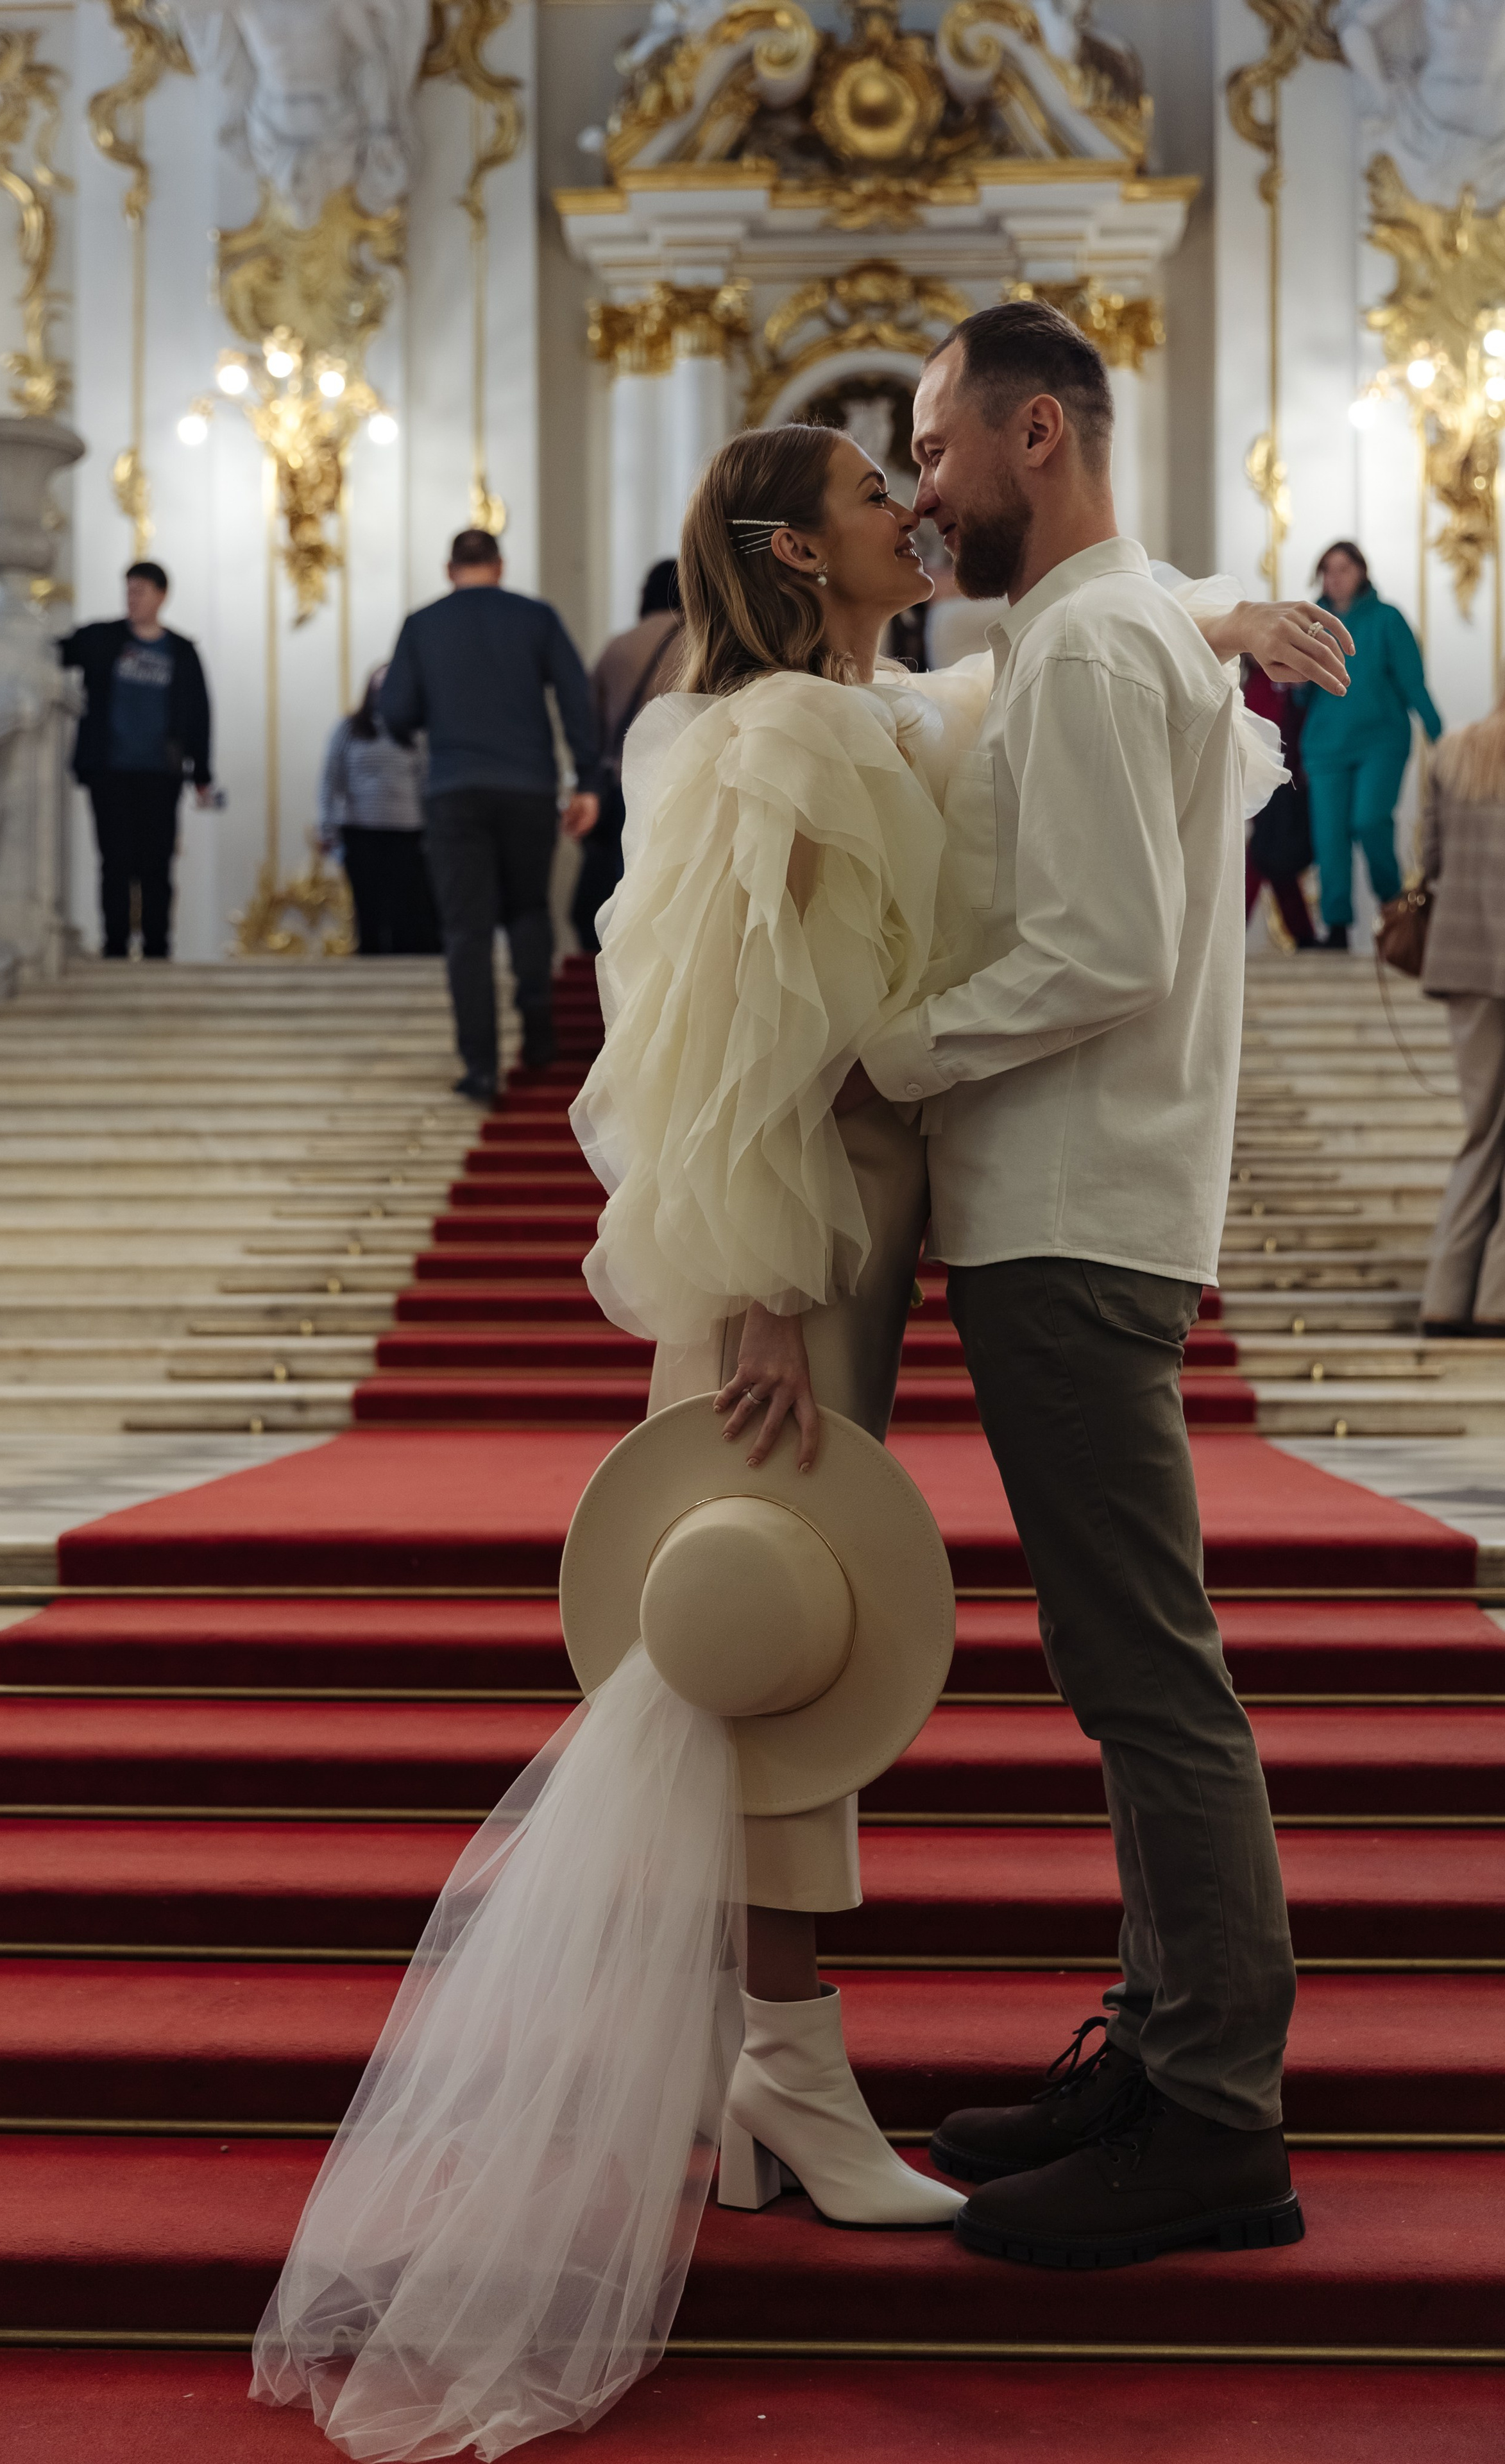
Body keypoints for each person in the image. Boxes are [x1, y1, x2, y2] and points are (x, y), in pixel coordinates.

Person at [249, 413, 1349, 2460]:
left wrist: (1217, 612)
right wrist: (751, 1275)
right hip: (786, 1223)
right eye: (873, 493)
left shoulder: (868, 694)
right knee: (764, 1640)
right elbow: (720, 1015)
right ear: (787, 542)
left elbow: (1045, 663)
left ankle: (775, 2066)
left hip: (855, 1209)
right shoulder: (762, 727)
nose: (909, 509)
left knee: (801, 1635)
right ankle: (789, 2066)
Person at [839, 298, 1357, 2268]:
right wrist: (1211, 622)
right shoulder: (1100, 632)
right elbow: (1184, 820)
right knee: (1124, 1663)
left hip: (1070, 1203)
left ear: (1035, 432)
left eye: (936, 441)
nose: (921, 484)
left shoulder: (1088, 639)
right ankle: (1157, 2049)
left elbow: (1098, 951)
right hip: (1083, 1196)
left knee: (1146, 1673)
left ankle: (1213, 2110)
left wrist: (883, 1048)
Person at [380, 529, 600, 1101]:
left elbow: (396, 710)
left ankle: (481, 1066)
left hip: (454, 789)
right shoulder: (537, 618)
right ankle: (538, 1030)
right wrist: (587, 782)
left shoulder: (422, 625)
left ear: (449, 568)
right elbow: (577, 699)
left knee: (466, 930)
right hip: (529, 786)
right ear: (499, 567)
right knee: (529, 907)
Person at [58, 561, 212, 961]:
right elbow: (56, 653)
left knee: (157, 864)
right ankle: (115, 946)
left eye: (140, 591)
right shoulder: (101, 639)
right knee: (114, 861)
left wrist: (202, 773)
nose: (133, 599)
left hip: (161, 773)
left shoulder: (181, 651)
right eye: (128, 591)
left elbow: (198, 713)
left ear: (161, 596)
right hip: (109, 770)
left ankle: (158, 947)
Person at [1297, 538, 1440, 948]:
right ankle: (1337, 930)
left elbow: (1414, 683)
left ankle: (1394, 913)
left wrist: (1442, 740)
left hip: (1381, 741)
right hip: (1326, 748)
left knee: (1369, 820)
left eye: (1343, 568)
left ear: (1362, 572)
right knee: (1329, 836)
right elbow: (1300, 695)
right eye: (1327, 569)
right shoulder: (1312, 623)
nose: (1334, 577)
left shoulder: (1388, 619)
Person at [1417, 684, 1505, 1334]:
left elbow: (1428, 860)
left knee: (1481, 1132)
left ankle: (1445, 1296)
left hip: (1465, 960)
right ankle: (1495, 1299)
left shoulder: (1450, 752)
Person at [574, 559, 684, 952]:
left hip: (627, 784)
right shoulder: (703, 642)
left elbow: (594, 726)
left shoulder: (618, 647)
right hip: (685, 783)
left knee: (627, 888)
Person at [318, 666, 439, 955]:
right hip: (362, 830)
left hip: (407, 831)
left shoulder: (416, 733)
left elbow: (426, 782)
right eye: (378, 687)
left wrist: (433, 828)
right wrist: (327, 826)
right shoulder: (348, 729)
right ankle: (370, 960)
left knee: (405, 906)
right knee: (369, 904)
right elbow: (330, 780)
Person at [1242, 657, 1318, 948]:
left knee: (1270, 856)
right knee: (1269, 856)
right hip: (1261, 779)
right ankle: (1304, 936)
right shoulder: (1252, 680)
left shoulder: (1292, 677)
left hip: (1289, 782)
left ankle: (1303, 935)